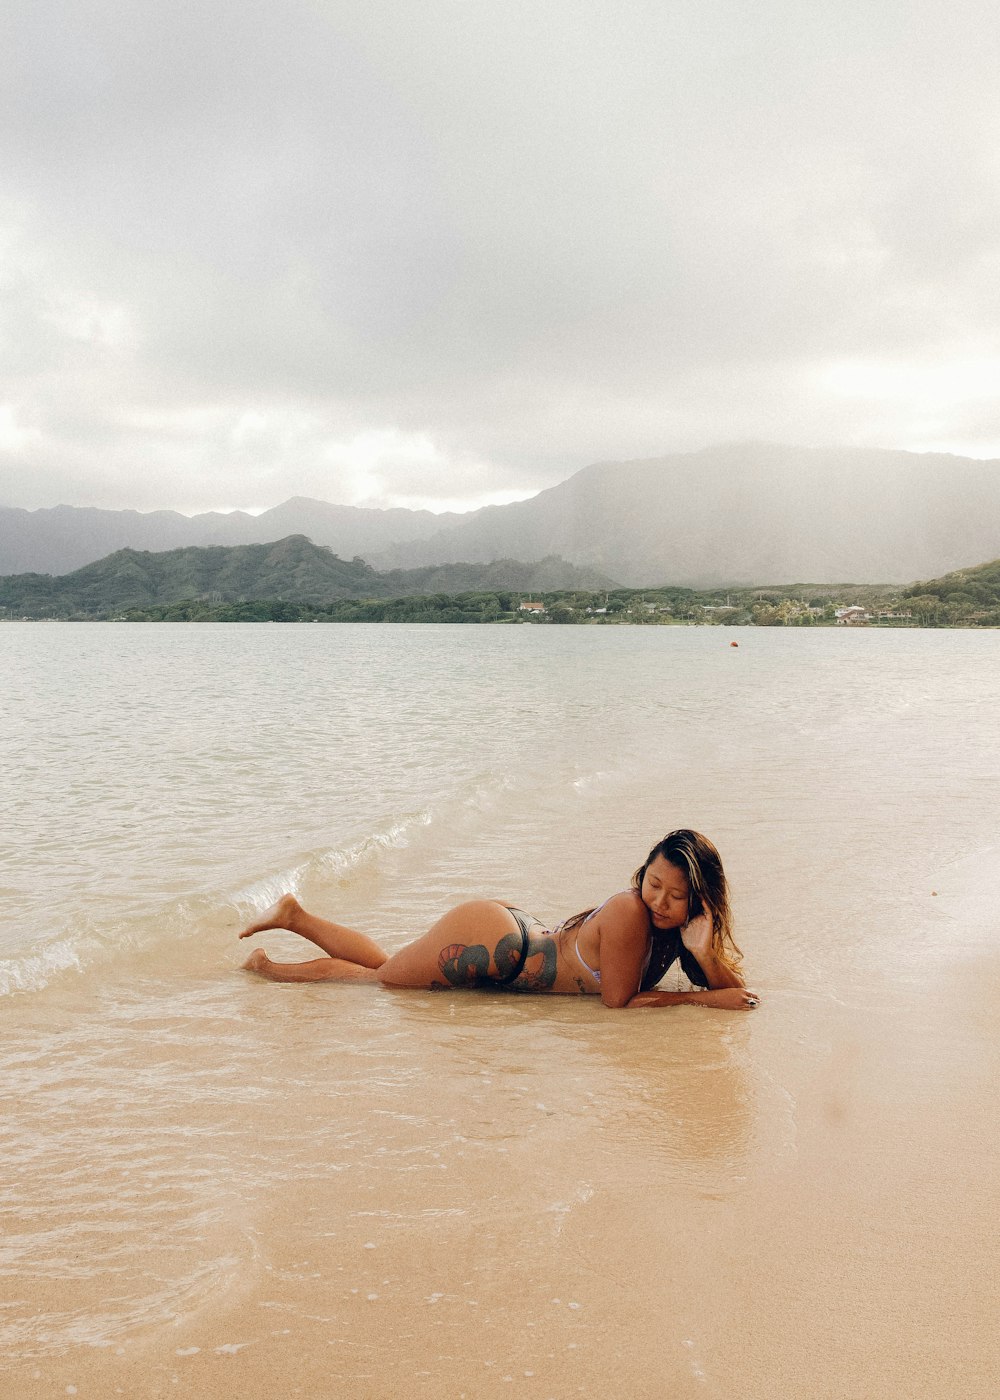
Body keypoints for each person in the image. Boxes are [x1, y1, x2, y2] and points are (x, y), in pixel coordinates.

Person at [239, 829, 759, 1010]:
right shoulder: (629, 912)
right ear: (641, 875)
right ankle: (267, 969)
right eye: (654, 884)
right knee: (380, 982)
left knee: (385, 968)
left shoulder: (675, 933)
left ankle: (295, 915)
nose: (660, 902)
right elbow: (619, 1003)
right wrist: (710, 1000)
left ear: (700, 898)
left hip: (511, 942)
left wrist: (705, 953)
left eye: (676, 895)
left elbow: (736, 993)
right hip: (496, 944)